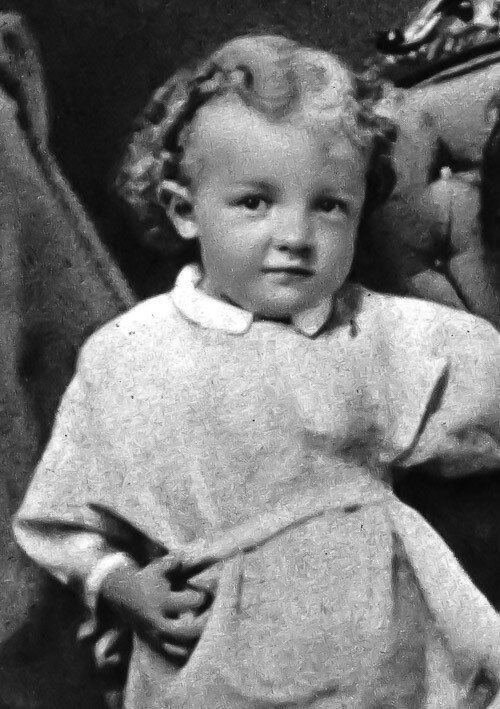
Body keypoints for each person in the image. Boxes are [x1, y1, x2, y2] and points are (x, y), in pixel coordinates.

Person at [12, 34, 500, 708]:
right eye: (255, 202)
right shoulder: (129, 353)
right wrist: (123, 585)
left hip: (384, 640)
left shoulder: (376, 330)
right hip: (220, 653)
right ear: (184, 208)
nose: (295, 237)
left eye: (329, 205)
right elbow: (61, 518)